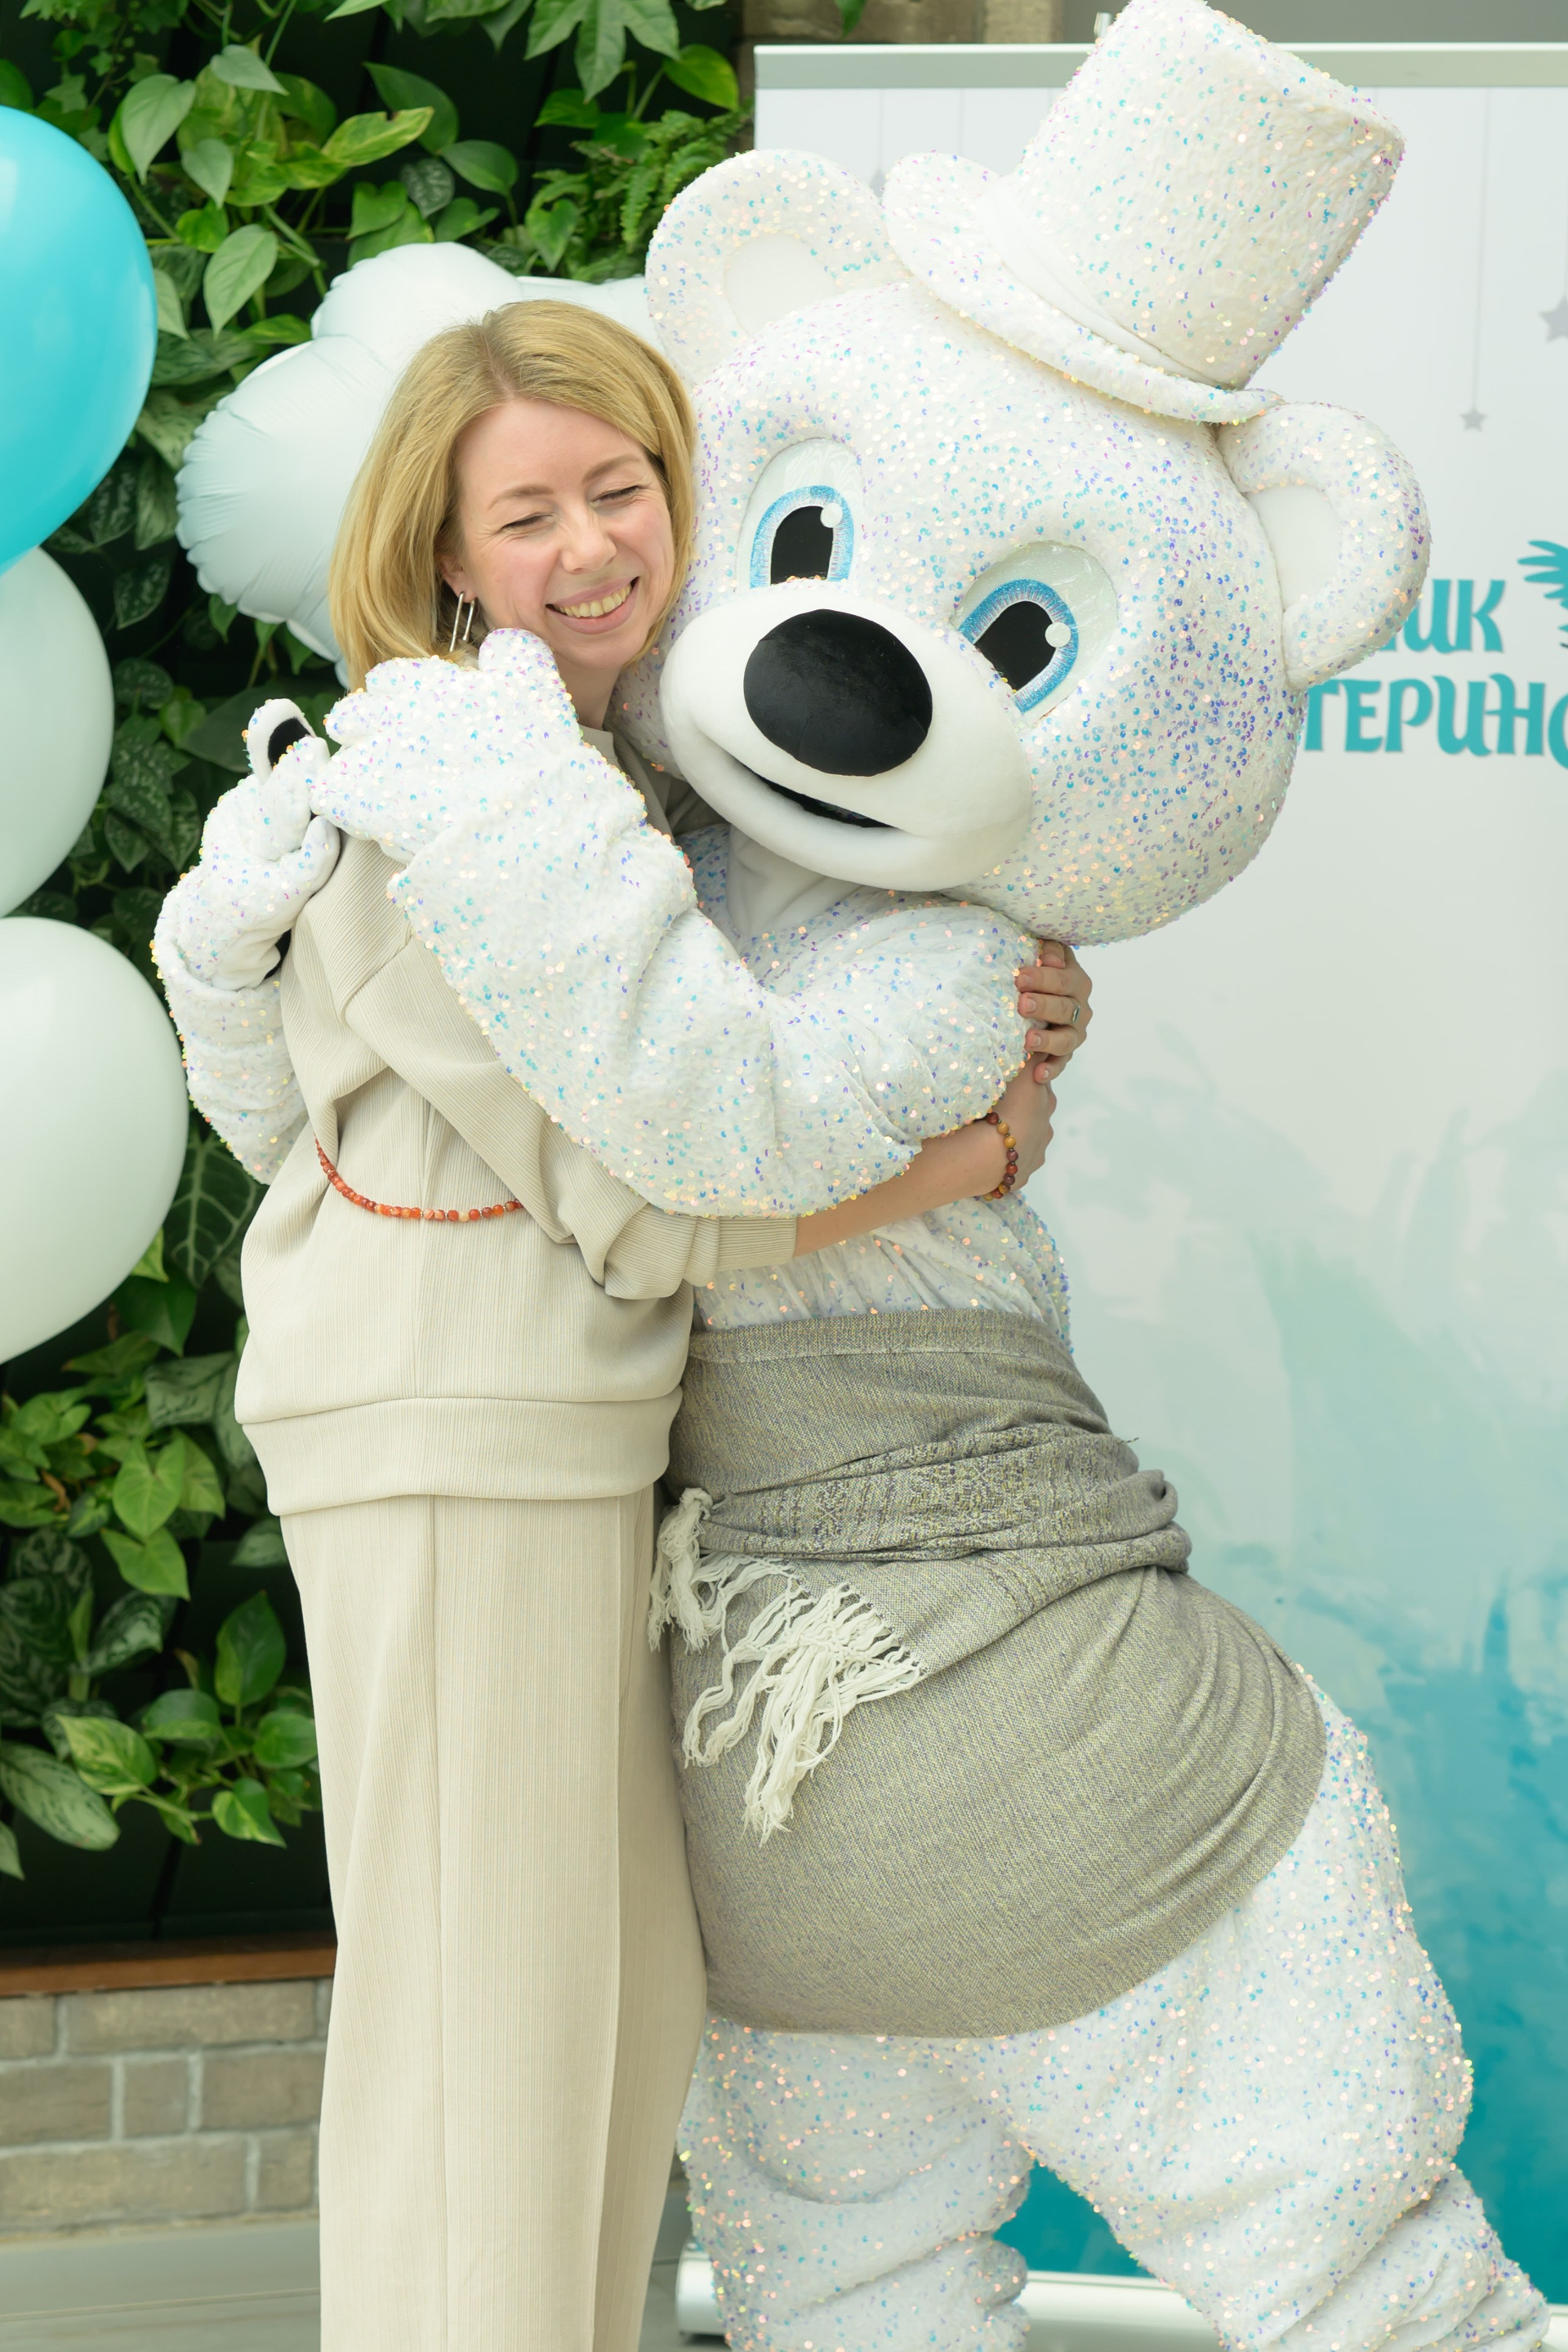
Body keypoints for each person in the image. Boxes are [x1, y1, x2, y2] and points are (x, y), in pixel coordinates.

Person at [153, 298, 1086, 2352]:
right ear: (442, 553)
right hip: (446, 1441)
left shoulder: (602, 783)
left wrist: (1017, 1014)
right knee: (487, 2023)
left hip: (552, 1443)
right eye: (527, 515)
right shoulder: (445, 804)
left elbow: (751, 1053)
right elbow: (650, 1204)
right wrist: (970, 1159)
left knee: (607, 2000)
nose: (590, 545)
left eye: (622, 486)